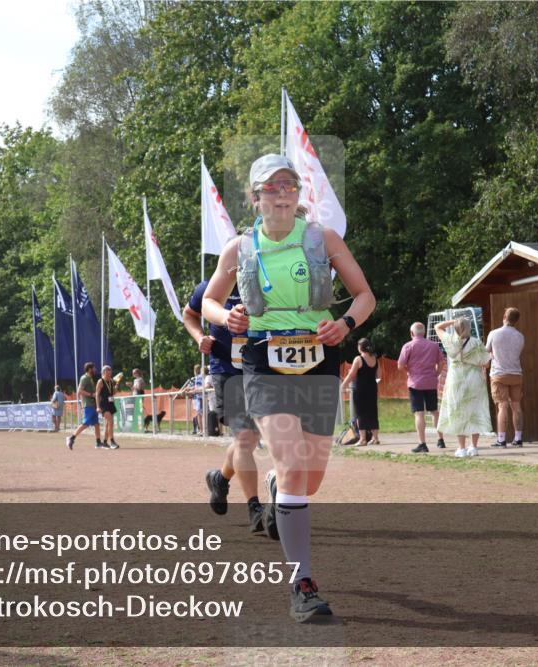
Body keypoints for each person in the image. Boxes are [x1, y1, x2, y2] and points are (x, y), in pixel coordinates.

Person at [202, 153, 375, 622]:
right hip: (262, 357)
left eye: (289, 186)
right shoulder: (239, 248)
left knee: (308, 479)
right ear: (255, 197)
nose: (282, 194)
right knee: (291, 458)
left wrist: (345, 323)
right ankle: (302, 583)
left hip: (320, 358)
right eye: (272, 187)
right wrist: (228, 317)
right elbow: (211, 303)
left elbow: (365, 295)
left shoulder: (323, 239)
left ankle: (281, 486)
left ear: (298, 195)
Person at [183, 279, 264, 532]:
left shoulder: (268, 280)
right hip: (226, 371)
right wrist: (199, 337)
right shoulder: (211, 286)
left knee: (248, 441)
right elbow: (189, 314)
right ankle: (255, 509)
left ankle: (220, 479)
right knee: (244, 438)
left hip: (261, 367)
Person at [435, 317, 492, 457]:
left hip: (456, 380)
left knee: (458, 411)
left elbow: (438, 327)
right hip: (474, 380)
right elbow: (486, 363)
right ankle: (474, 447)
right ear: (469, 327)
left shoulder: (450, 340)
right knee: (475, 411)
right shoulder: (476, 343)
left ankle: (461, 448)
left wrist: (452, 321)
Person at [398, 322, 446, 452]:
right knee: (434, 411)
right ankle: (441, 440)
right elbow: (441, 362)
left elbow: (400, 365)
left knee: (419, 413)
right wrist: (436, 373)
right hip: (431, 382)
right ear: (424, 333)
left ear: (411, 333)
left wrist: (409, 371)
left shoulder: (408, 346)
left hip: (415, 383)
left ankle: (422, 443)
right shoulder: (433, 345)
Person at [485, 307, 526, 448]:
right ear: (516, 320)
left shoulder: (494, 334)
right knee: (516, 406)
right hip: (516, 373)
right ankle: (518, 438)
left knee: (502, 406)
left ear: (504, 317)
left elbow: (487, 352)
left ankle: (501, 439)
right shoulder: (520, 336)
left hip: (499, 374)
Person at [340, 338, 381, 445]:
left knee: (360, 413)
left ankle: (362, 439)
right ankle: (375, 438)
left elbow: (351, 375)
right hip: (372, 388)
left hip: (360, 389)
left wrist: (343, 385)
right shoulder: (375, 359)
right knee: (373, 412)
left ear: (361, 347)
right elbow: (379, 375)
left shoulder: (358, 359)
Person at [95, 365, 120, 449]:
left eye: (110, 372)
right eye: (108, 372)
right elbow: (97, 394)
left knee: (107, 424)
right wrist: (98, 406)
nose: (110, 374)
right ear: (104, 372)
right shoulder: (100, 381)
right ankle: (112, 441)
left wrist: (116, 387)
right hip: (103, 404)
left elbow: (112, 393)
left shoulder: (111, 381)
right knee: (110, 421)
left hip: (110, 403)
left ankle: (105, 442)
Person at [188, 364, 206, 435]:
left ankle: (202, 430)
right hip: (200, 397)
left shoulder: (198, 377)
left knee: (200, 414)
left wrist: (191, 389)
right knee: (201, 414)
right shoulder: (202, 377)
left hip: (199, 397)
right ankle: (201, 429)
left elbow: (196, 387)